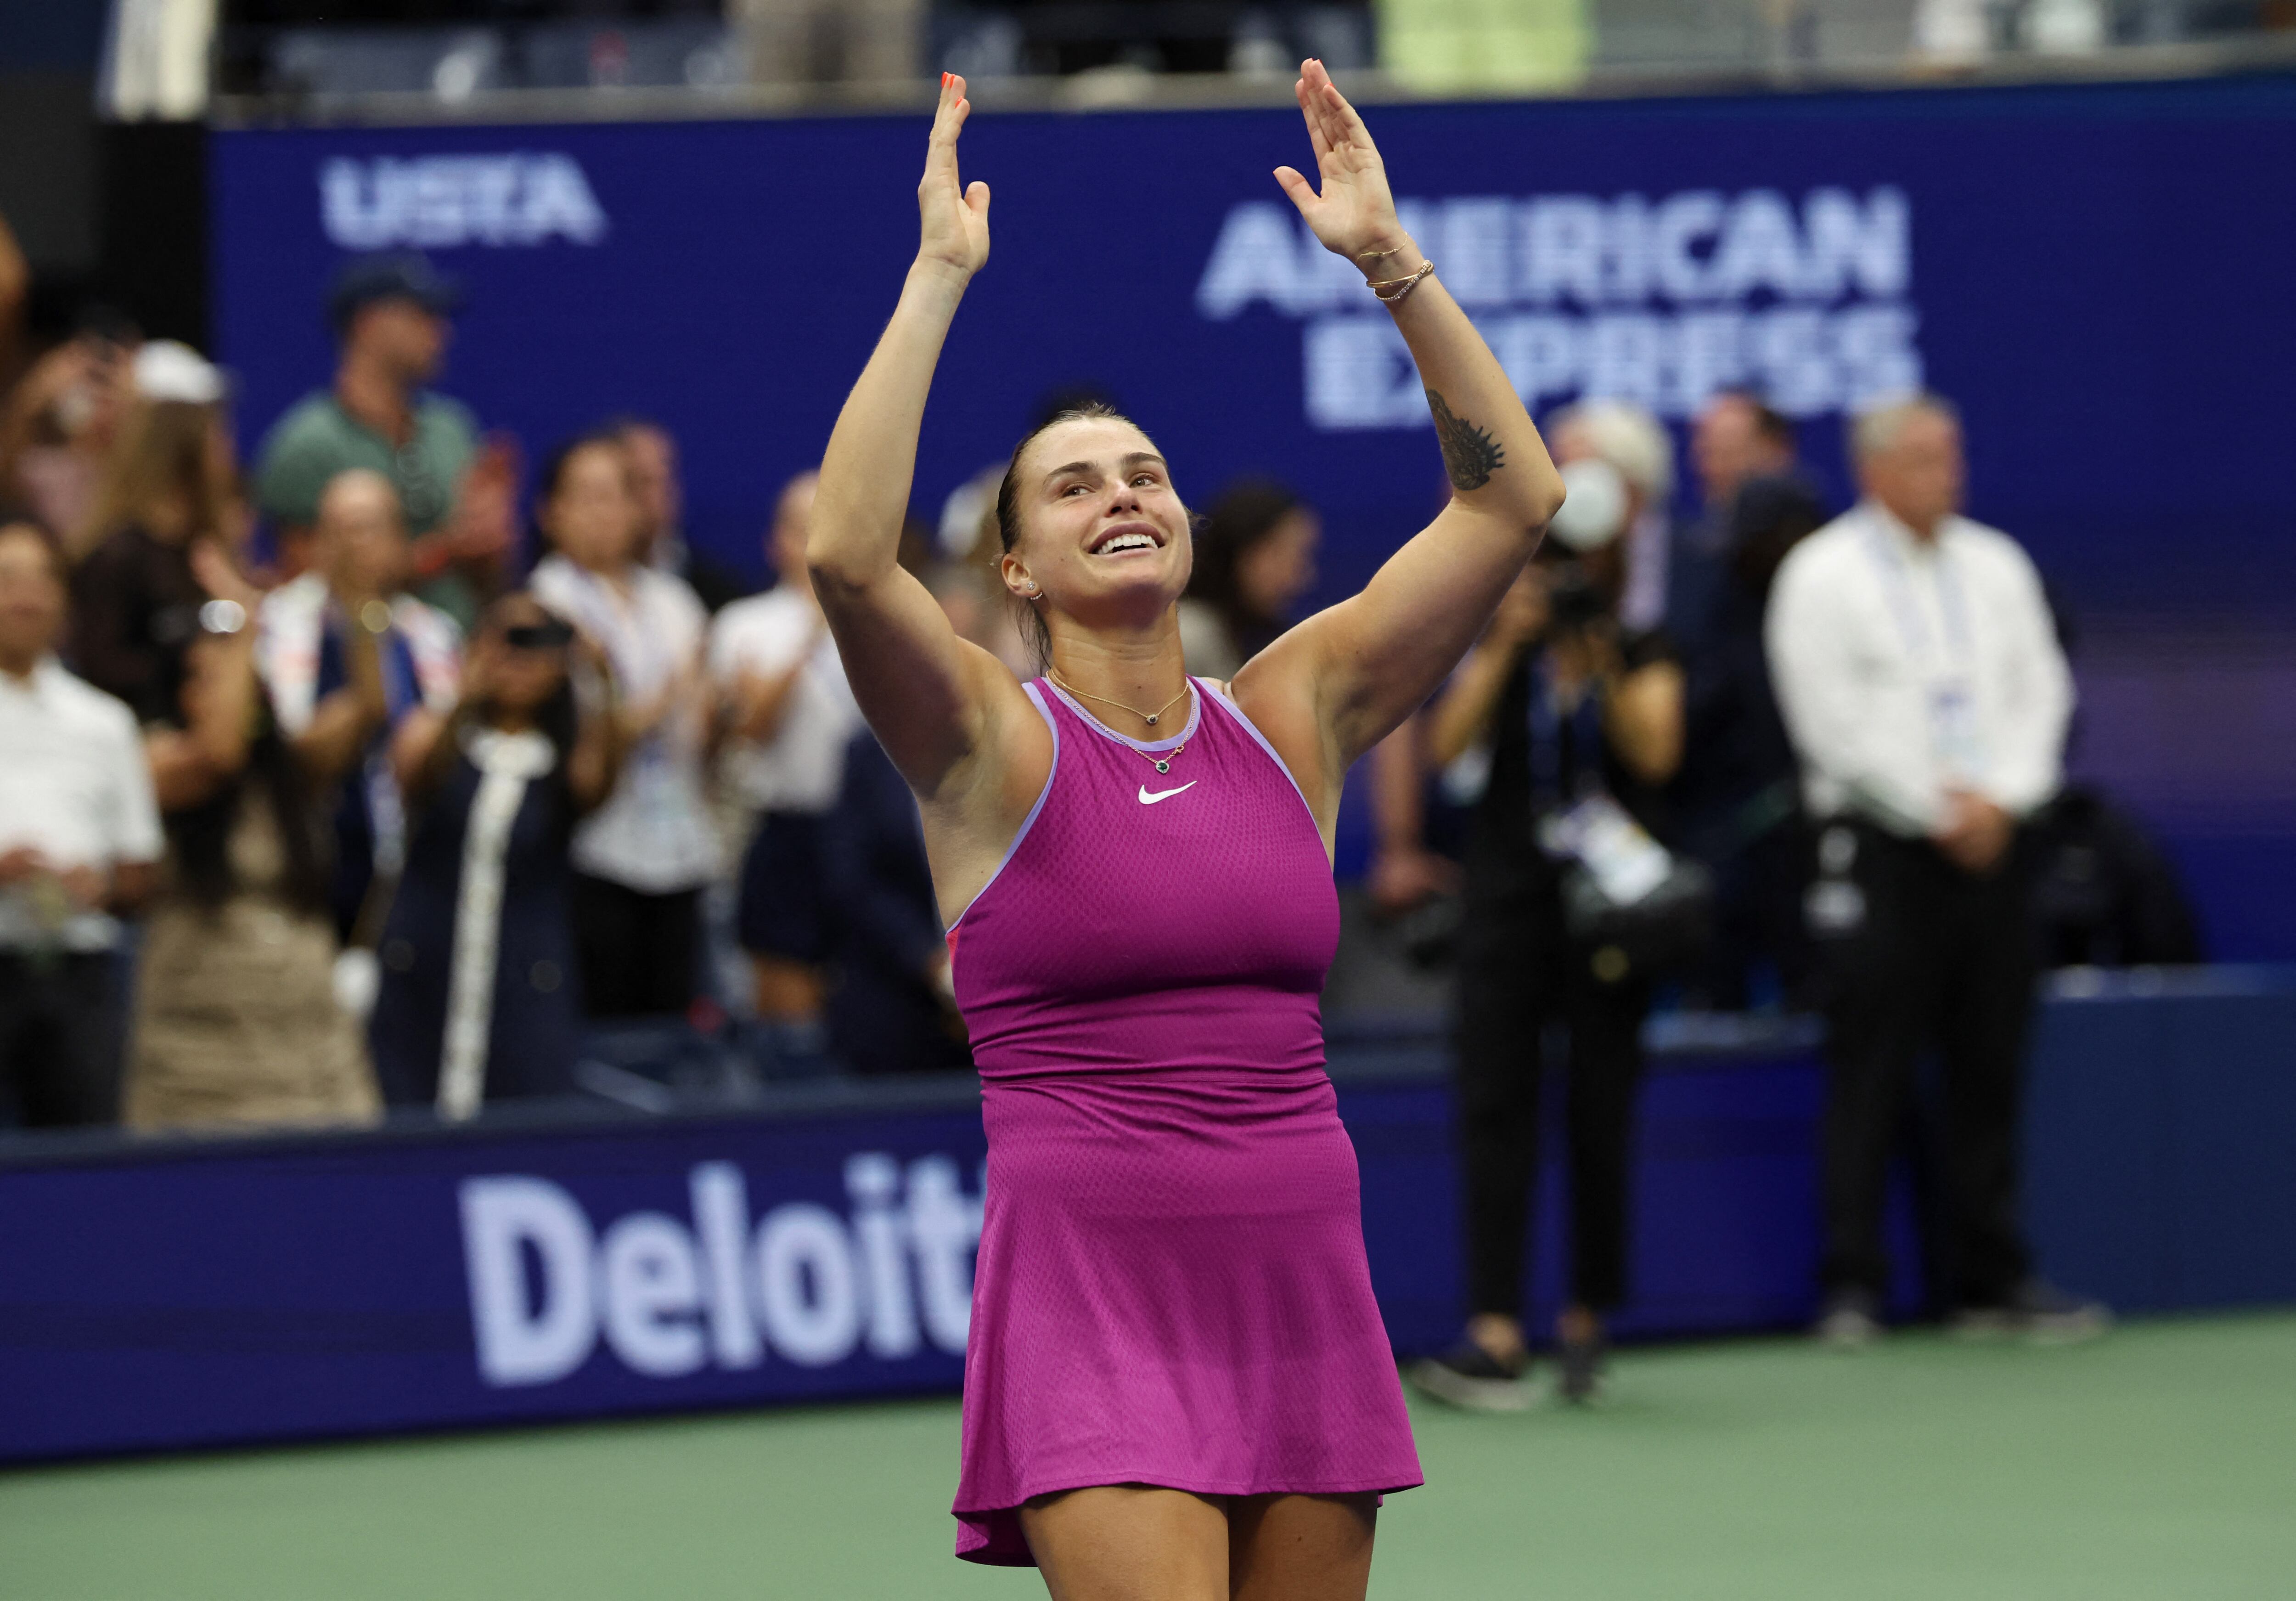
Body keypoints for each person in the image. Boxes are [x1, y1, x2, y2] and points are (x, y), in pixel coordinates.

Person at [808, 65, 1564, 1586]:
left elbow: (1511, 503)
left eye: (1144, 472)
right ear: (1015, 564)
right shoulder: (985, 742)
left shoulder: (1296, 711)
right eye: (1072, 488)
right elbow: (844, 552)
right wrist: (937, 279)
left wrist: (1391, 264)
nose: (1120, 494)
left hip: (1297, 1275)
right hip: (1092, 1294)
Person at [1766, 393, 2103, 1346]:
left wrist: (2004, 798)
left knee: (1988, 1061)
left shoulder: (1995, 564)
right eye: (1923, 457)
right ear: (1873, 471)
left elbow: (2043, 692)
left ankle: (1988, 1278)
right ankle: (1851, 1283)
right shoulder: (1821, 574)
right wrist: (1931, 809)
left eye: (1950, 454)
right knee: (1870, 1065)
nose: (1946, 473)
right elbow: (1825, 721)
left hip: (1997, 845)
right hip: (1883, 849)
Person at [1405, 457, 1686, 1410]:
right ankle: (1493, 1328)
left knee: (1600, 1111)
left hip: (1606, 916)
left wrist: (1596, 658)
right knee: (1495, 1109)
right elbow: (1445, 753)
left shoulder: (1636, 644)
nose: (1561, 575)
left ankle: (1584, 1321)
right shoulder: (1500, 641)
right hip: (1506, 905)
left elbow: (1656, 751)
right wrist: (1500, 653)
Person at [127, 540, 378, 1131]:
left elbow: (367, 707)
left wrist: (359, 607)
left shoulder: (290, 775)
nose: (224, 686)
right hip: (204, 1063)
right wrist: (243, 623)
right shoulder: (158, 761)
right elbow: (219, 751)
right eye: (201, 676)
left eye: (236, 673)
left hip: (313, 1052)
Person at [367, 592, 624, 1116]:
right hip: (424, 964)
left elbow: (595, 783)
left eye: (536, 644)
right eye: (508, 640)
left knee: (522, 1107)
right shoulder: (442, 735)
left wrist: (600, 675)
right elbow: (408, 774)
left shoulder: (561, 758)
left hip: (523, 973)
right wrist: (467, 688)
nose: (519, 659)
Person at [530, 431, 719, 1019]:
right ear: (551, 512)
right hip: (594, 849)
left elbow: (701, 726)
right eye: (586, 496)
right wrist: (665, 697)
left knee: (673, 1022)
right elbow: (587, 736)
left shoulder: (673, 600)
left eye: (616, 495)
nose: (605, 512)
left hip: (681, 840)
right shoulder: (547, 602)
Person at [255, 469, 462, 956]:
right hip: (308, 875)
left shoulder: (433, 635)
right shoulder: (273, 626)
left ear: (399, 541)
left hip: (413, 878)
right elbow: (286, 761)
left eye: (366, 527)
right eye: (336, 529)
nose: (350, 545)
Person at [0, 513, 162, 1127]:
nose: (26, 596)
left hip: (80, 971)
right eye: (8, 578)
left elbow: (141, 871)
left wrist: (100, 886)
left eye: (43, 579)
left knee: (88, 1151)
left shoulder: (104, 722)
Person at [252, 254, 512, 629]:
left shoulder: (452, 428)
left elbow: (488, 581)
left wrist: (489, 546)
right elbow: (303, 582)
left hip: (455, 653)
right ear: (369, 323)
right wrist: (442, 553)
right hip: (358, 659)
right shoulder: (306, 444)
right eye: (421, 315)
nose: (441, 331)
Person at [708, 470, 861, 1032]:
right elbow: (751, 729)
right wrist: (815, 628)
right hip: (783, 831)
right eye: (804, 529)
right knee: (785, 1012)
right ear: (776, 541)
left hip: (864, 835)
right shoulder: (744, 625)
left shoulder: (881, 620)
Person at [68, 342, 241, 725]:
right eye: (214, 426)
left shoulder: (205, 551)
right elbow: (100, 668)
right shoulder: (117, 557)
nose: (226, 443)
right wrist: (188, 673)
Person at [1175, 478, 1321, 677]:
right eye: (1292, 556)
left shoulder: (1259, 636)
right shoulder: (1189, 636)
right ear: (1243, 552)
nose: (1303, 577)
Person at [615, 417, 750, 614]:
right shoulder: (560, 589)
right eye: (643, 481)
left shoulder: (717, 592)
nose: (659, 493)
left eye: (666, 478)